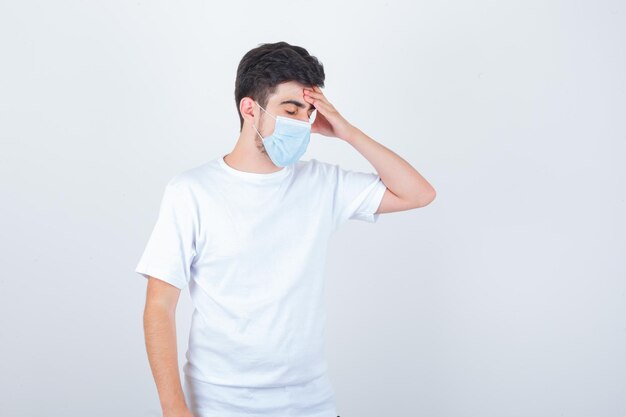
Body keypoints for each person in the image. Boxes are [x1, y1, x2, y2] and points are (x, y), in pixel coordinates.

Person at [135, 41, 436, 417]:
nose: (301, 123)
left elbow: (418, 193)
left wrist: (348, 133)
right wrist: (173, 409)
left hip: (310, 404)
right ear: (250, 109)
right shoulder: (192, 191)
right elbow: (159, 306)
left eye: (308, 113)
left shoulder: (322, 184)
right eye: (289, 109)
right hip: (221, 404)